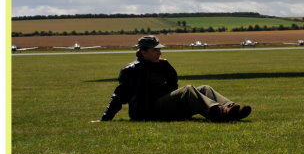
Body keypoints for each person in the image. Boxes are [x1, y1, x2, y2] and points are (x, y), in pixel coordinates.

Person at [94, 36, 252, 123]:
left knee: (205, 88)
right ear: (143, 51)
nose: (159, 53)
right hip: (148, 112)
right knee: (188, 89)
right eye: (155, 50)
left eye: (159, 50)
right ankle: (217, 112)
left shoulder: (162, 65)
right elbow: (118, 97)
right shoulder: (131, 70)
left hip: (165, 105)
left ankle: (232, 110)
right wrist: (105, 119)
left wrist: (166, 66)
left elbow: (173, 85)